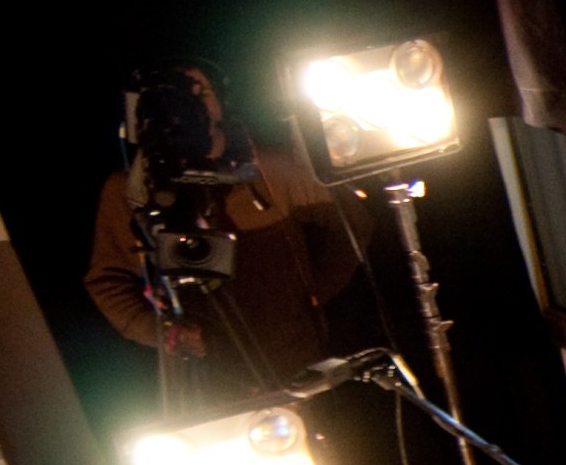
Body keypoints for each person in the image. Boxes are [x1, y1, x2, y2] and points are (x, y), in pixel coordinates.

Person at [84, 61, 377, 407]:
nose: (189, 105)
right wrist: (165, 333)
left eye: (200, 93)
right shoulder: (131, 192)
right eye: (175, 96)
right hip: (205, 383)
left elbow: (354, 221)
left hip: (298, 368)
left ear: (221, 103)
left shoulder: (271, 170)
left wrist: (314, 292)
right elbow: (108, 281)